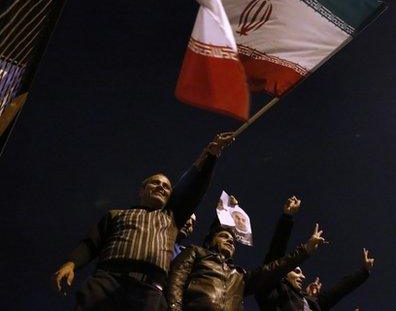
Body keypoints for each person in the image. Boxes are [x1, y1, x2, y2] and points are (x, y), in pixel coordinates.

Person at [51, 132, 235, 311]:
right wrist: (71, 264)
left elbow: (193, 187)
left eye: (167, 187)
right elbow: (92, 243)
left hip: (150, 292)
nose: (161, 188)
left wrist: (210, 155)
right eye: (156, 183)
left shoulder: (171, 217)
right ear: (142, 190)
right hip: (106, 283)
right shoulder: (115, 215)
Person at [166, 216, 327, 311]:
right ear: (211, 240)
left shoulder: (239, 275)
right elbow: (176, 281)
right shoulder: (195, 252)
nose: (230, 241)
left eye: (233, 240)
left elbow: (273, 269)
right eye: (224, 236)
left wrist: (305, 250)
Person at [256, 196, 375, 311]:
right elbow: (275, 254)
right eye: (297, 272)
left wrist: (364, 272)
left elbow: (338, 290)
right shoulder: (274, 291)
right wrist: (287, 217)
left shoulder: (312, 304)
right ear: (283, 273)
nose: (303, 276)